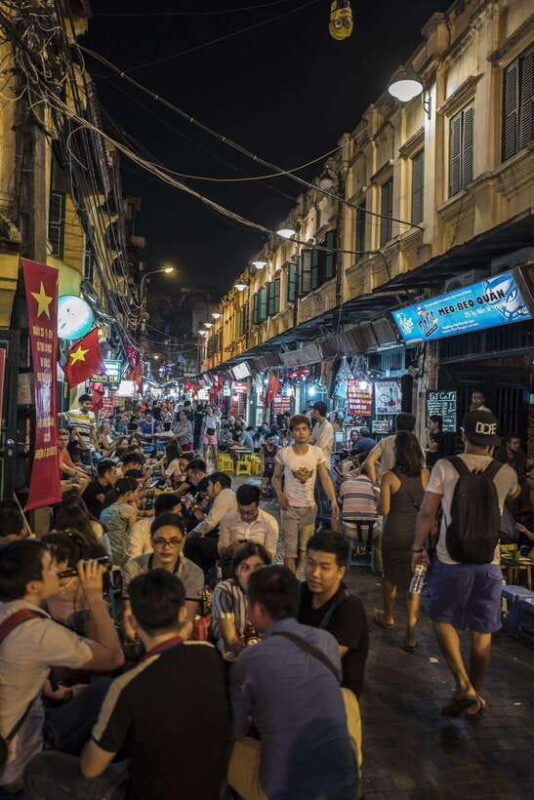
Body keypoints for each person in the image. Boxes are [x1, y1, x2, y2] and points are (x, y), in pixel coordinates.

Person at [25, 569, 229, 800]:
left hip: (148, 790)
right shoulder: (210, 656)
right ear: (183, 613)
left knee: (40, 766)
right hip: (210, 786)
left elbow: (90, 768)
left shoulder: (129, 685)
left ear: (132, 621)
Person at [412, 411, 520, 717]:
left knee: (442, 619)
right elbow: (516, 494)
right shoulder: (506, 472)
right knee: (482, 630)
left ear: (463, 435)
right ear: (493, 442)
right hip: (489, 563)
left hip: (450, 560)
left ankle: (464, 686)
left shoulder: (445, 467)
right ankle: (476, 693)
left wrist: (418, 547)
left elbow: (427, 512)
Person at [0, 541, 124, 790]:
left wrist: (44, 684)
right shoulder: (38, 633)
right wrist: (94, 597)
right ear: (33, 586)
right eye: (50, 567)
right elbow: (113, 657)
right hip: (19, 759)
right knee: (107, 691)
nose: (58, 570)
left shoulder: (7, 612)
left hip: (13, 724)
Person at [228, 565, 357, 800]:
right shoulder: (326, 641)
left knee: (227, 751)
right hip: (345, 784)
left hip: (285, 792)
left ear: (257, 609)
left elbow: (235, 729)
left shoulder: (250, 660)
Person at [375, 431, 429, 652]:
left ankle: (388, 616)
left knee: (390, 577)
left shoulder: (389, 477)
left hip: (394, 533)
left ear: (397, 452)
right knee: (414, 584)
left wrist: (378, 497)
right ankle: (411, 633)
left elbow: (384, 510)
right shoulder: (426, 474)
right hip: (417, 535)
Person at [299, 532, 369, 697]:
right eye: (310, 563)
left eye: (324, 567)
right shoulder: (302, 592)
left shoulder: (350, 609)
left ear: (340, 571)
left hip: (334, 696)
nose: (315, 573)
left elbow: (323, 661)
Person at [273, 415, 339, 573]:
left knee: (303, 549)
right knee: (290, 550)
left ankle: (293, 577)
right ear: (291, 433)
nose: (301, 432)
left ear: (310, 432)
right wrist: (280, 495)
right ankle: (291, 583)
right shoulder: (284, 453)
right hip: (289, 507)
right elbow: (275, 478)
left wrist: (333, 500)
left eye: (304, 429)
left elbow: (325, 478)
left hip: (310, 508)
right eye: (297, 429)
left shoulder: (317, 453)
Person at [122, 513, 204, 635]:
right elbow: (128, 613)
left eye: (174, 541)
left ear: (183, 541)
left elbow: (187, 621)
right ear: (151, 541)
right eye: (160, 541)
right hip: (141, 633)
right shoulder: (134, 567)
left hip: (175, 638)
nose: (167, 547)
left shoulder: (193, 573)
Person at [211, 542, 271, 661]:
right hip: (230, 650)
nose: (252, 574)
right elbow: (230, 640)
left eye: (258, 567)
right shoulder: (225, 590)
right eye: (245, 567)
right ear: (237, 570)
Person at [218, 484, 278, 560]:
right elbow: (221, 552)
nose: (245, 516)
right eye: (242, 511)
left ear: (258, 504)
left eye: (250, 512)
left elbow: (270, 556)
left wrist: (255, 549)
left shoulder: (269, 522)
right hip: (233, 564)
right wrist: (231, 548)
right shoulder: (228, 519)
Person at [365, 412, 422, 483]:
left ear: (396, 425)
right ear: (413, 427)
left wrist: (374, 482)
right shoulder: (416, 444)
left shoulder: (385, 442)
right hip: (413, 487)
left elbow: (369, 462)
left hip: (388, 485)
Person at [126, 492, 182, 559]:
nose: (180, 515)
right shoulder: (141, 528)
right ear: (164, 513)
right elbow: (134, 559)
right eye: (177, 512)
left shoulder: (177, 530)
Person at [99, 478, 139, 566]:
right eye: (136, 491)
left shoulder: (107, 507)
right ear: (129, 493)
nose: (137, 494)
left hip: (104, 551)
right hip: (120, 554)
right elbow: (134, 533)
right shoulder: (129, 509)